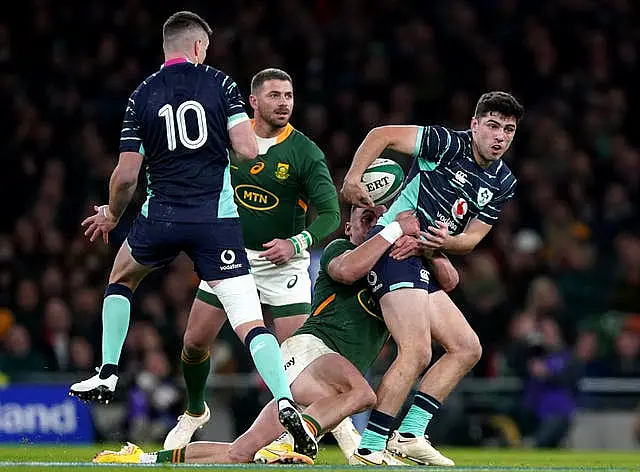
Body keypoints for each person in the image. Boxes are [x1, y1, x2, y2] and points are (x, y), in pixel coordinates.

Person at [68, 11, 316, 459]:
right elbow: (244, 147)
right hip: (215, 222)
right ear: (200, 47)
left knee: (121, 278)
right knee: (250, 323)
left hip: (160, 215)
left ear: (168, 48)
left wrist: (110, 214)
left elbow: (126, 176)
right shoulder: (221, 85)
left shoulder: (141, 95)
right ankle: (283, 400)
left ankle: (107, 370)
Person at [92, 205, 459, 465]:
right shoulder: (340, 250)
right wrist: (394, 229)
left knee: (239, 452)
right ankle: (298, 437)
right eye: (366, 219)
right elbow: (349, 270)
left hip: (315, 385)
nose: (375, 224)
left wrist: (431, 246)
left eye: (380, 218)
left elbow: (450, 282)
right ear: (348, 229)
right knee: (364, 393)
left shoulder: (402, 272)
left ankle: (144, 458)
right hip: (308, 352)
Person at [341, 91, 524, 465]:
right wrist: (353, 180)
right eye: (492, 126)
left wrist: (445, 242)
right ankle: (371, 446)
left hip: (424, 254)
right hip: (392, 247)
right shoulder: (446, 143)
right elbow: (382, 135)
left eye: (508, 129)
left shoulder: (503, 181)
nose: (500, 136)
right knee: (417, 350)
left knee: (467, 347)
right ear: (474, 126)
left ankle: (409, 434)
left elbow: (472, 238)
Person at [163, 68, 341, 450]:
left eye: (289, 96)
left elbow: (331, 215)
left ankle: (342, 431)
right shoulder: (226, 143)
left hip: (283, 265)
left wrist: (296, 244)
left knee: (298, 361)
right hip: (230, 257)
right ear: (253, 102)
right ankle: (195, 410)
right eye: (275, 95)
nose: (284, 103)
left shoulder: (304, 152)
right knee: (194, 343)